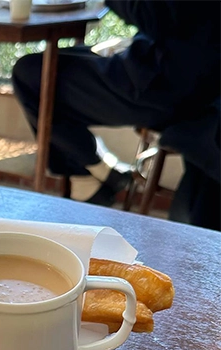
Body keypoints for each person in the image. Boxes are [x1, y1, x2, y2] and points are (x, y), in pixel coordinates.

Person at [12, 0, 220, 230]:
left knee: (31, 74)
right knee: (58, 60)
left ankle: (91, 176)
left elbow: (154, 16)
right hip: (188, 72)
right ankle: (96, 175)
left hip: (167, 85)